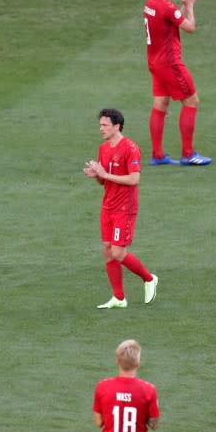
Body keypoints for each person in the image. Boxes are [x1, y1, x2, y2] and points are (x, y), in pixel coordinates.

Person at [84, 109, 158, 309]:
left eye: (105, 125)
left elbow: (134, 179)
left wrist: (105, 175)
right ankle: (118, 298)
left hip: (124, 208)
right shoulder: (103, 148)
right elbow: (104, 180)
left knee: (117, 253)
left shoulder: (130, 148)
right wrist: (97, 175)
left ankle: (149, 278)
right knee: (108, 251)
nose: (101, 129)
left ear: (117, 126)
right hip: (107, 205)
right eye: (100, 125)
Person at [143, 0, 212, 166]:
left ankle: (157, 155)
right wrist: (190, 6)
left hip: (155, 63)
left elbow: (171, 21)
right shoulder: (167, 7)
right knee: (192, 102)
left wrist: (182, 5)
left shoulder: (151, 3)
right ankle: (188, 154)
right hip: (170, 64)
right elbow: (190, 27)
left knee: (160, 105)